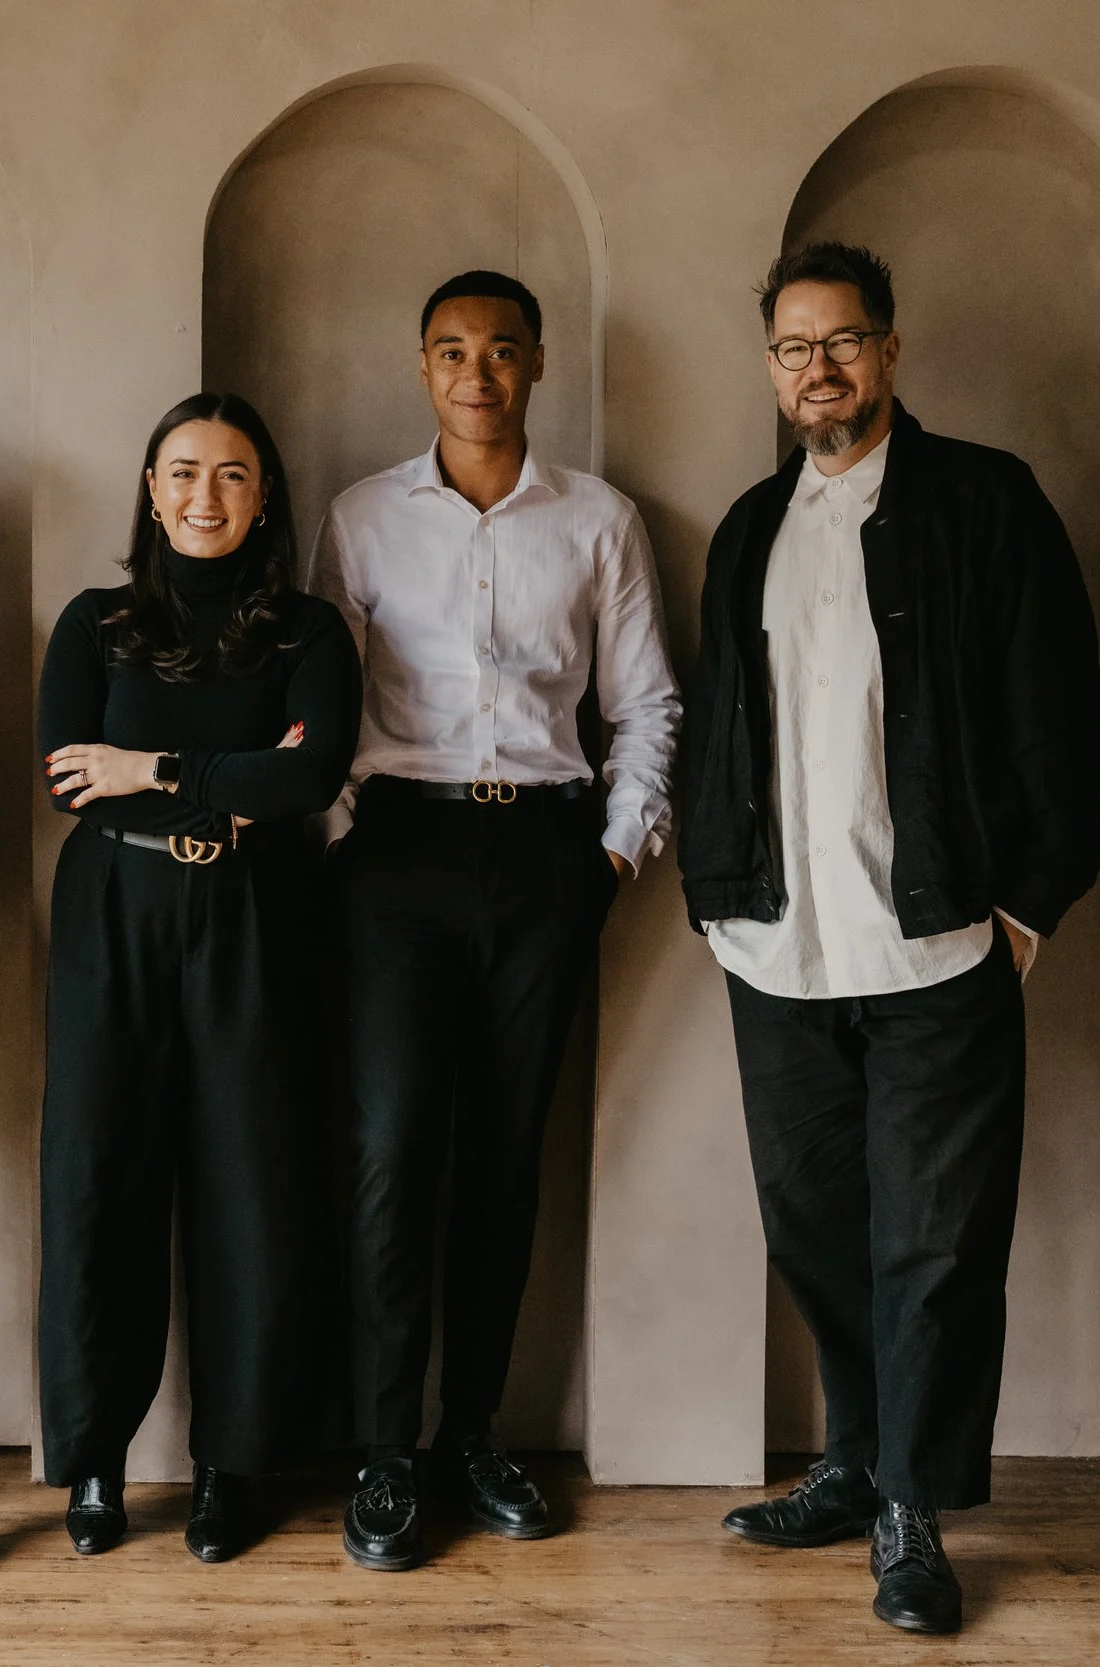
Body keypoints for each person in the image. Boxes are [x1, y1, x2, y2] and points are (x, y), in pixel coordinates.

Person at [683, 243, 1100, 1636]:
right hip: (778, 954)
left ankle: (913, 1513)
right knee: (815, 1228)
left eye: (844, 339)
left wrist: (1029, 904)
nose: (820, 366)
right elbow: (718, 726)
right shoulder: (750, 524)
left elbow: (1065, 719)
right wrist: (714, 892)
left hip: (939, 950)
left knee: (933, 1245)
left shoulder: (986, 503)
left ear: (891, 350)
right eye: (794, 346)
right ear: (770, 369)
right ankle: (859, 1459)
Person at [310, 271, 681, 1572]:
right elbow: (325, 701)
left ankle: (472, 1433)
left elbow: (646, 705)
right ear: (422, 367)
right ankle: (382, 1452)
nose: (477, 373)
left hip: (543, 850)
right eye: (452, 350)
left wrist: (613, 856)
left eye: (502, 350)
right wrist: (347, 839)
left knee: (504, 1155)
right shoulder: (359, 518)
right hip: (398, 853)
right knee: (392, 1152)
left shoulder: (598, 520)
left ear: (537, 367)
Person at [37, 392, 360, 1564]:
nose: (203, 495)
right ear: (150, 485)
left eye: (230, 475)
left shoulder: (307, 632)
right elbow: (70, 781)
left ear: (264, 492)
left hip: (258, 910)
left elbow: (311, 778)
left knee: (249, 1179)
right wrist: (229, 768)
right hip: (111, 907)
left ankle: (233, 1463)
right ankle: (96, 1465)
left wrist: (153, 763)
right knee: (97, 1177)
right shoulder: (95, 623)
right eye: (181, 472)